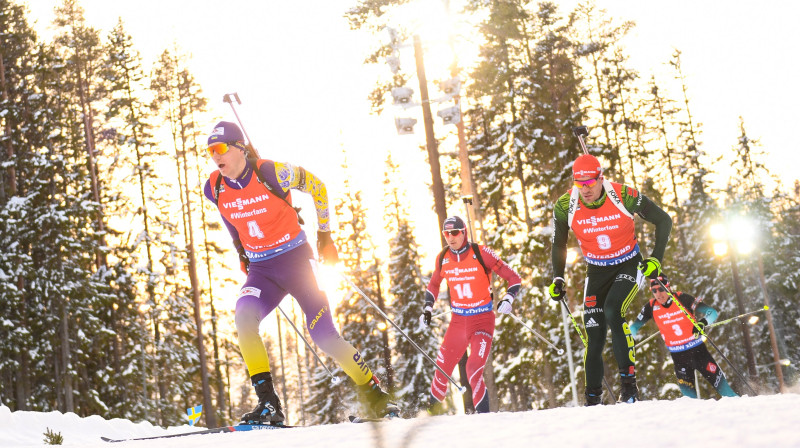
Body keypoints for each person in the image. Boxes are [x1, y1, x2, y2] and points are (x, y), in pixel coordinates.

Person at [202, 121, 397, 425]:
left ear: (239, 147)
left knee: (324, 335)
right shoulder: (213, 186)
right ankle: (269, 404)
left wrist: (325, 236)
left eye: (220, 148)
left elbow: (317, 186)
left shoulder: (271, 172)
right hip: (262, 271)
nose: (215, 155)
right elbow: (229, 218)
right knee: (243, 318)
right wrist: (241, 250)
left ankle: (375, 395)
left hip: (297, 261)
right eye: (210, 150)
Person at [548, 153, 672, 405]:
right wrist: (558, 278)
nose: (585, 189)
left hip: (629, 262)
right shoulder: (565, 205)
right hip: (596, 271)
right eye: (578, 183)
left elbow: (663, 219)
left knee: (613, 310)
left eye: (590, 183)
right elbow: (558, 242)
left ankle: (629, 389)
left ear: (600, 178)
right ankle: (592, 399)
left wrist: (656, 259)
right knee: (593, 332)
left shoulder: (622, 195)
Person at [420, 216, 522, 414]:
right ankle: (431, 420)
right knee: (441, 370)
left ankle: (484, 420)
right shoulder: (443, 258)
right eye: (446, 234)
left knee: (473, 369)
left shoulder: (481, 253)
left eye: (455, 232)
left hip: (482, 321)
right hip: (458, 322)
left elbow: (514, 278)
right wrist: (427, 308)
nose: (450, 237)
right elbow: (433, 284)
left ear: (464, 232)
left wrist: (509, 298)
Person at [629, 275, 738, 398]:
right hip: (679, 359)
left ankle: (747, 410)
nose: (658, 293)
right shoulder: (650, 307)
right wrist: (628, 339)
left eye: (661, 289)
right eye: (654, 290)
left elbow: (712, 312)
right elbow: (633, 328)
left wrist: (702, 323)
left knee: (727, 394)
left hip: (699, 353)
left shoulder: (682, 298)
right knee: (690, 402)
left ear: (668, 287)